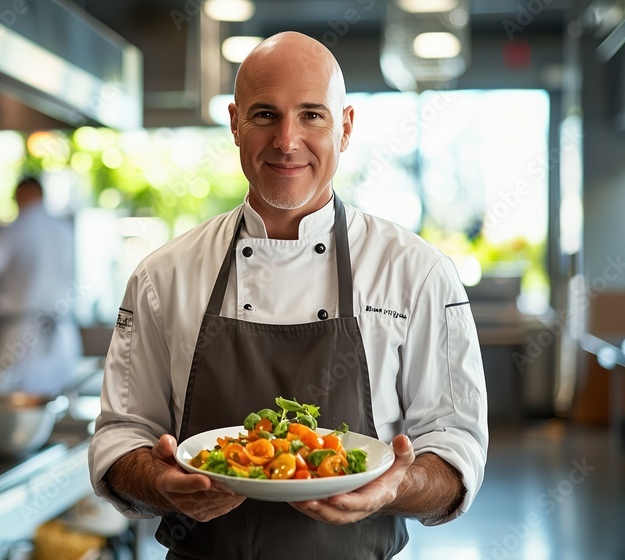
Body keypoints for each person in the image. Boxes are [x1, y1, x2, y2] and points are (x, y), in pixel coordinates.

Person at [87, 31, 488, 559]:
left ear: (344, 128)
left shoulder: (417, 272)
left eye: (312, 115)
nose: (287, 140)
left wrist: (396, 485)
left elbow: (454, 444)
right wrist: (160, 486)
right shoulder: (162, 276)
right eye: (264, 114)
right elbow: (122, 436)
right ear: (234, 124)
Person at [0, 177, 82, 395]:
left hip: (23, 338)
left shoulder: (17, 228)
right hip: (65, 336)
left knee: (20, 407)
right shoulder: (66, 231)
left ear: (19, 195)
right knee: (62, 410)